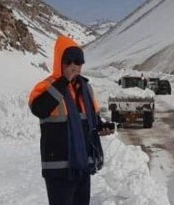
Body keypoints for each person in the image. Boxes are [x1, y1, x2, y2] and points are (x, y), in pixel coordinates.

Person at [28, 35, 114, 205]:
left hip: (82, 166)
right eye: (69, 61)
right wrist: (63, 81)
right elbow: (39, 109)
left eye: (78, 62)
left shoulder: (85, 88)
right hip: (59, 169)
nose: (74, 66)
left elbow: (92, 120)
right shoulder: (46, 86)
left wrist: (102, 127)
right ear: (60, 61)